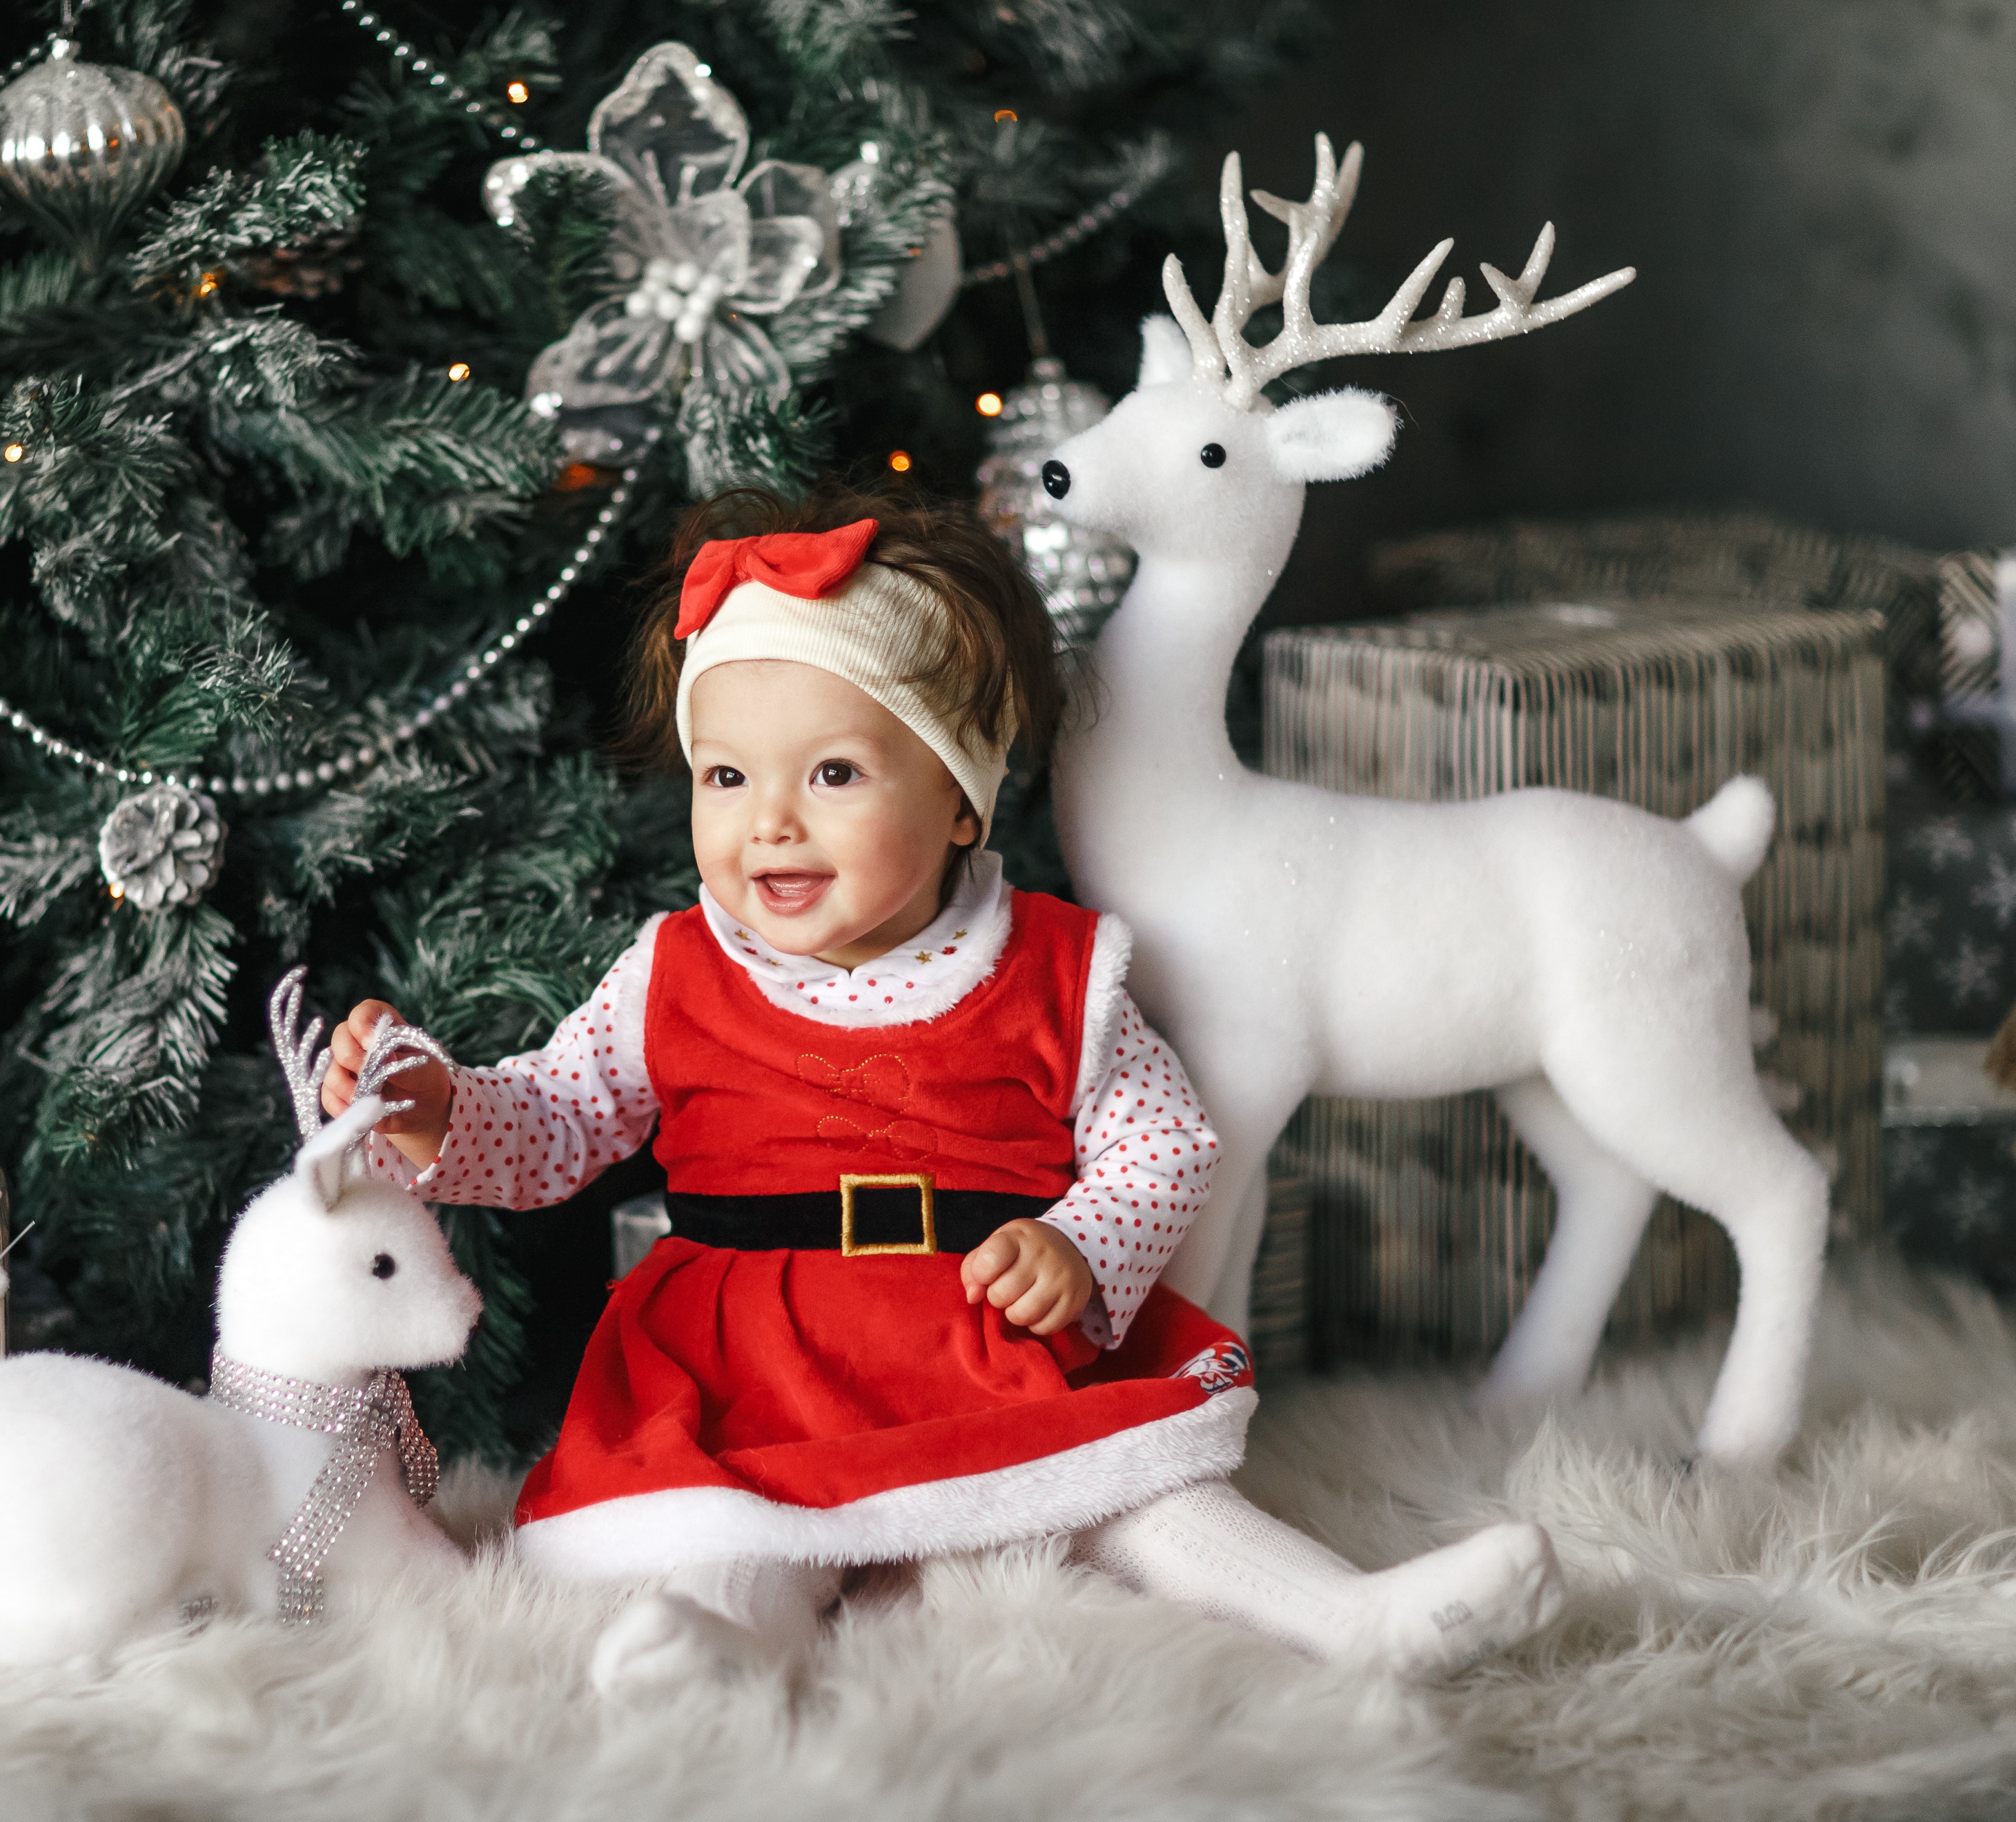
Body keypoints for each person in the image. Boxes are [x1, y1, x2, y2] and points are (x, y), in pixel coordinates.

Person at [320, 484, 1564, 1700]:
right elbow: (559, 1121)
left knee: (1147, 1500)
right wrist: (444, 1108)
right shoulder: (674, 972)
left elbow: (1162, 1144)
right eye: (728, 779)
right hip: (748, 1356)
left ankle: (1351, 1617)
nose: (772, 828)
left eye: (836, 777)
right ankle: (723, 1652)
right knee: (734, 1526)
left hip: (978, 1328)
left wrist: (1081, 1245)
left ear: (962, 799)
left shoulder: (1052, 968)